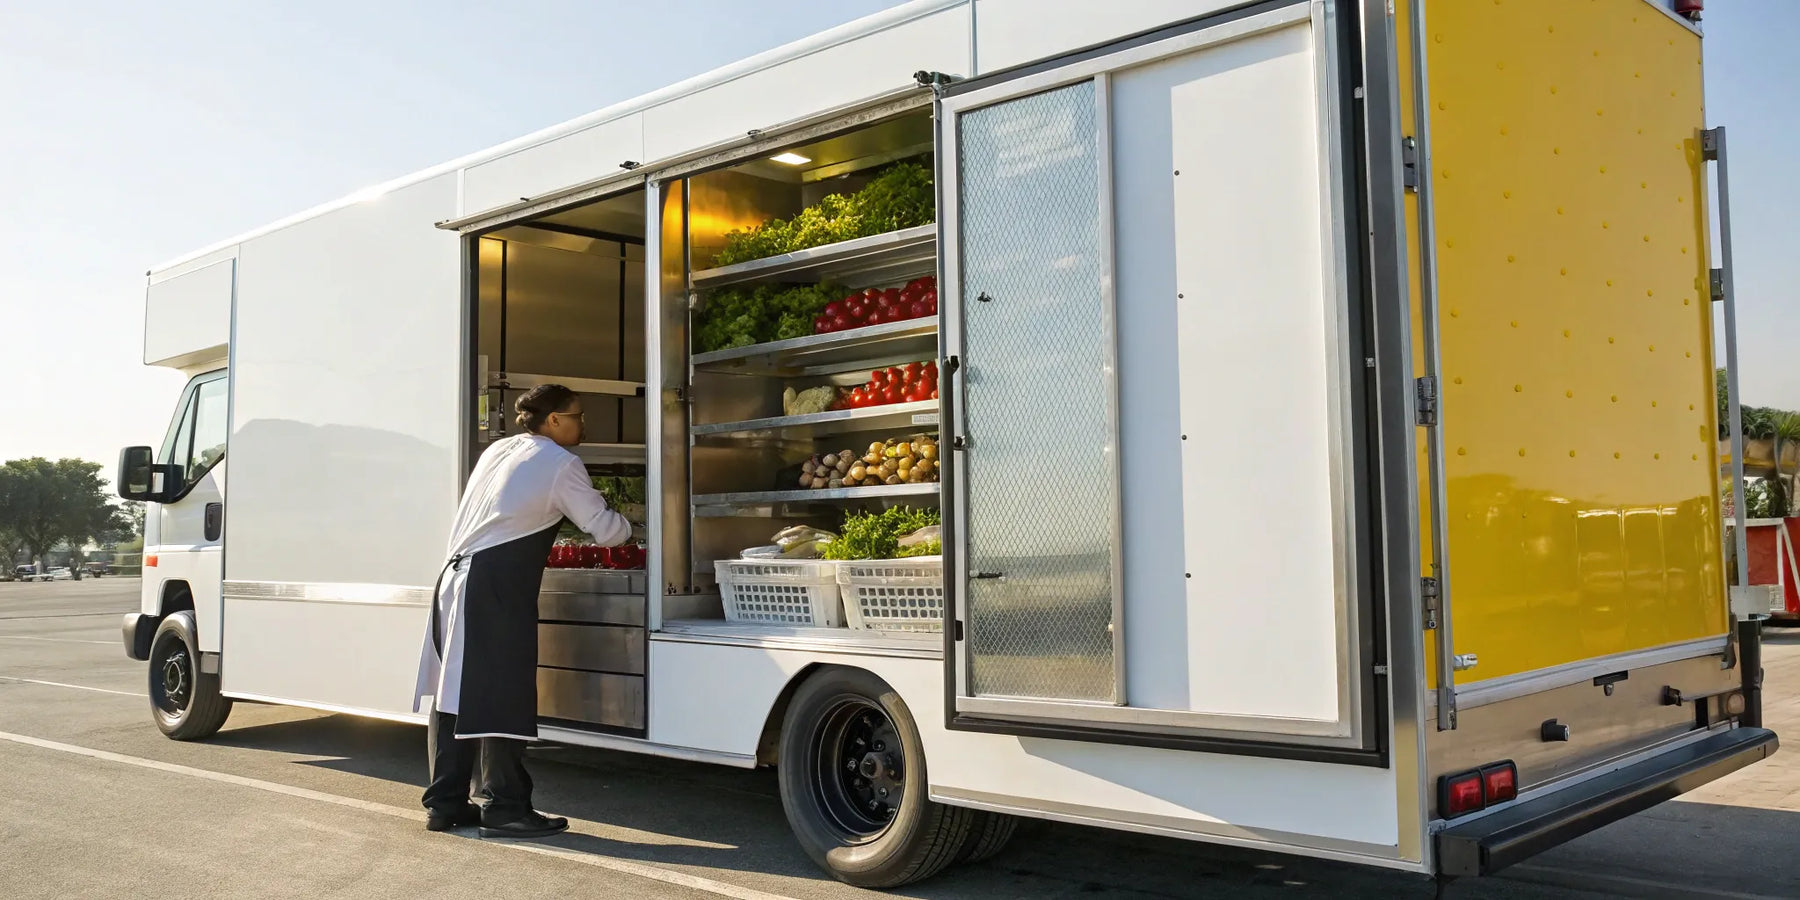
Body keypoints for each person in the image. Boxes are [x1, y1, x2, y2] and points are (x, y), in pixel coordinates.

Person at [412, 384, 634, 837]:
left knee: (457, 692)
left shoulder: (498, 450)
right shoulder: (561, 463)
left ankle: (445, 802)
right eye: (577, 415)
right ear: (553, 420)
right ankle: (506, 807)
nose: (583, 424)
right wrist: (632, 525)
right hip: (494, 584)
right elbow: (606, 530)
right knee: (503, 691)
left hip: (457, 577)